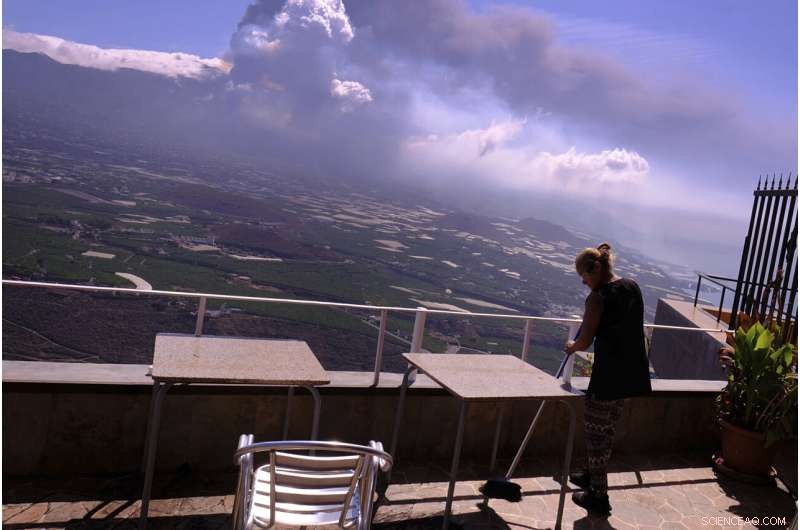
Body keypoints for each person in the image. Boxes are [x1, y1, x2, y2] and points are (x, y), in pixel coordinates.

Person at [564, 243, 652, 515]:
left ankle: (599, 497)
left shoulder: (598, 297)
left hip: (608, 376)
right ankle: (590, 477)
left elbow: (586, 339)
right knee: (606, 429)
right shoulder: (632, 286)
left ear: (596, 269)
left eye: (584, 277)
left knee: (595, 434)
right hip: (630, 374)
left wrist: (572, 346)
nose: (584, 282)